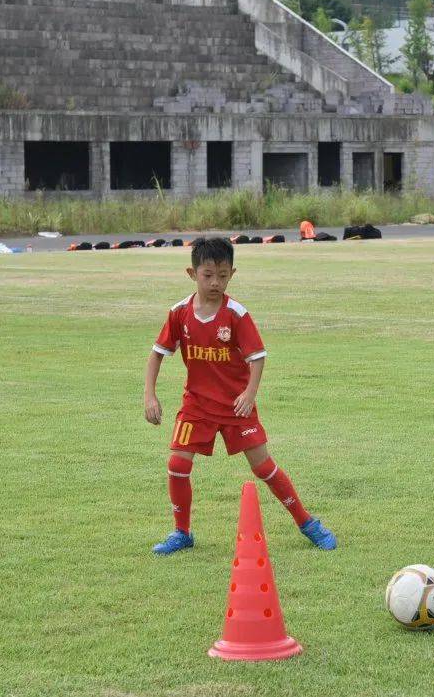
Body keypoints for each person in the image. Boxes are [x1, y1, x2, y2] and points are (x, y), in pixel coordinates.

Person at [144, 237, 337, 555]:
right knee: (178, 463)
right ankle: (181, 533)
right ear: (192, 274)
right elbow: (157, 354)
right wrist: (150, 396)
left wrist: (249, 393)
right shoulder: (179, 313)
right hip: (197, 405)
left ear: (232, 273)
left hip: (236, 406)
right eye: (208, 275)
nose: (215, 282)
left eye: (222, 275)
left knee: (263, 468)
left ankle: (308, 523)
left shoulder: (236, 314)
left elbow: (257, 357)